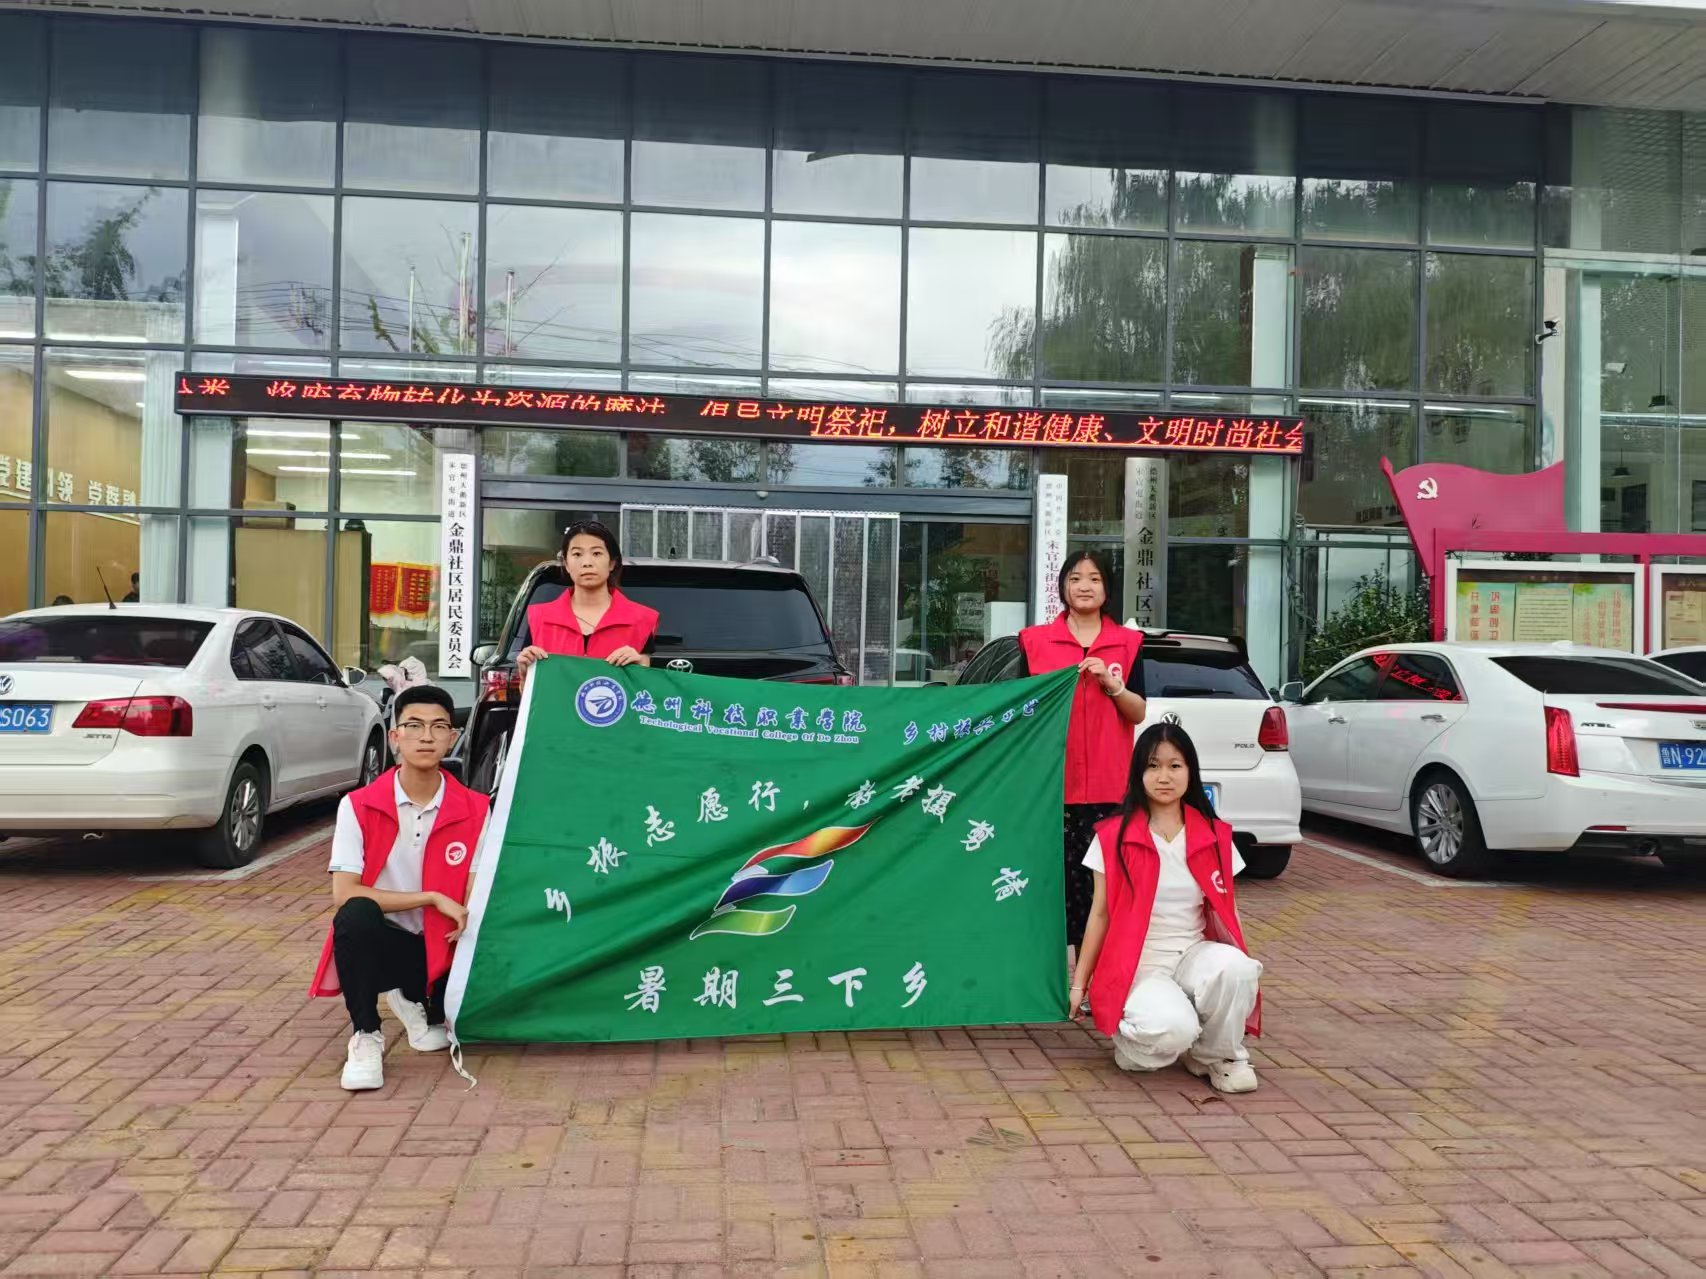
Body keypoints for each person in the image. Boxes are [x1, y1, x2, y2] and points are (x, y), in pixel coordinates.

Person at [309, 684, 490, 1091]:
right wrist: (430, 897)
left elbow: (474, 890)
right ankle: (366, 1035)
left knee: (457, 1025)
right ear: (395, 736)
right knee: (355, 915)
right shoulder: (358, 805)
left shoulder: (477, 808)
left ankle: (416, 1000)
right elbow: (344, 892)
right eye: (414, 725)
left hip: (444, 944)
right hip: (388, 943)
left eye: (438, 727)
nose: (426, 737)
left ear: (452, 738)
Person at [1071, 723, 1262, 1094]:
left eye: (1175, 766)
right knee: (1172, 1031)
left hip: (1192, 951)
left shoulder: (1214, 835)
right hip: (1139, 962)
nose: (1164, 777)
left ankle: (1215, 1057)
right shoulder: (1113, 836)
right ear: (1138, 773)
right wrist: (1080, 984)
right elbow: (1100, 914)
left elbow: (1228, 912)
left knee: (1239, 969)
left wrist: (1239, 974)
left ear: (1190, 772)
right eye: (1153, 766)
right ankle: (1133, 1043)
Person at [1016, 551, 1147, 956]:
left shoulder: (1128, 643)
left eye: (1094, 578)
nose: (1084, 586)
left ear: (1107, 588)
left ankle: (1094, 980)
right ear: (1062, 587)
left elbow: (1138, 712)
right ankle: (1052, 981)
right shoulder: (1034, 642)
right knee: (1050, 891)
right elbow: (1020, 711)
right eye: (1075, 578)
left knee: (1103, 892)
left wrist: (1112, 684)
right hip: (1052, 787)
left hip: (1110, 788)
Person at [515, 519, 658, 679]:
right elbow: (533, 691)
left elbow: (645, 688)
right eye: (577, 554)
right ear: (566, 564)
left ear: (612, 563)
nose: (587, 563)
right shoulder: (540, 618)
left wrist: (640, 666)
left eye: (597, 553)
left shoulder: (640, 620)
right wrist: (525, 674)